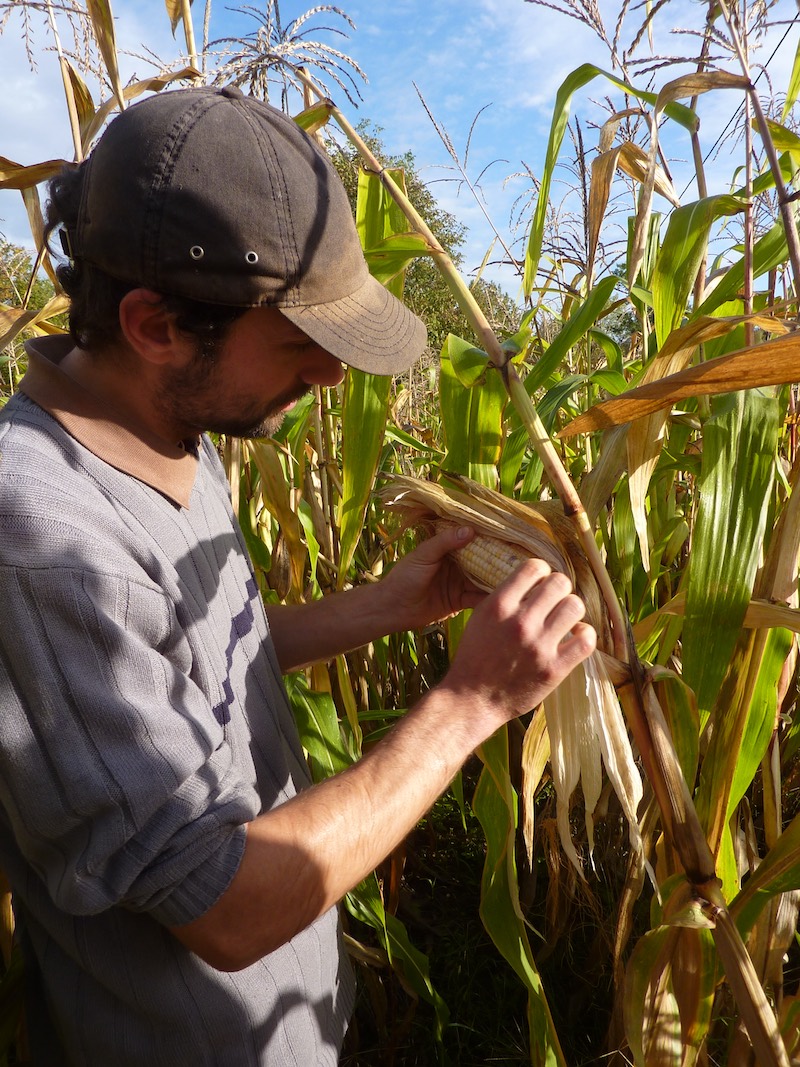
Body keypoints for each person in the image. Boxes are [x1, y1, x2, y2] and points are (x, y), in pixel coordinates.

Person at [0, 86, 596, 1066]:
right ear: (155, 324)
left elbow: (188, 652)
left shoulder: (173, 431)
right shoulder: (40, 541)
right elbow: (223, 907)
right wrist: (469, 702)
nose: (330, 377)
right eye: (301, 344)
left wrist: (384, 606)